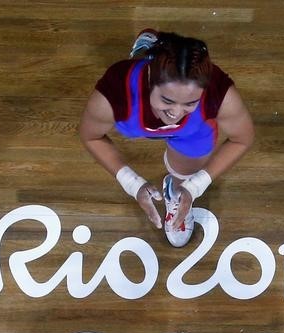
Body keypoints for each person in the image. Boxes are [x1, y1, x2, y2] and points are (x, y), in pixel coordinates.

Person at [79, 30, 254, 247]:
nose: (176, 113)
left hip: (192, 132)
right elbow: (91, 136)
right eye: (167, 100)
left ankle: (178, 197)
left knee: (186, 173)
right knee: (136, 63)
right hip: (137, 101)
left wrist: (194, 187)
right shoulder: (116, 92)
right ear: (151, 79)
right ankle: (146, 50)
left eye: (190, 103)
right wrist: (132, 184)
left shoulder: (218, 92)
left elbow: (242, 139)